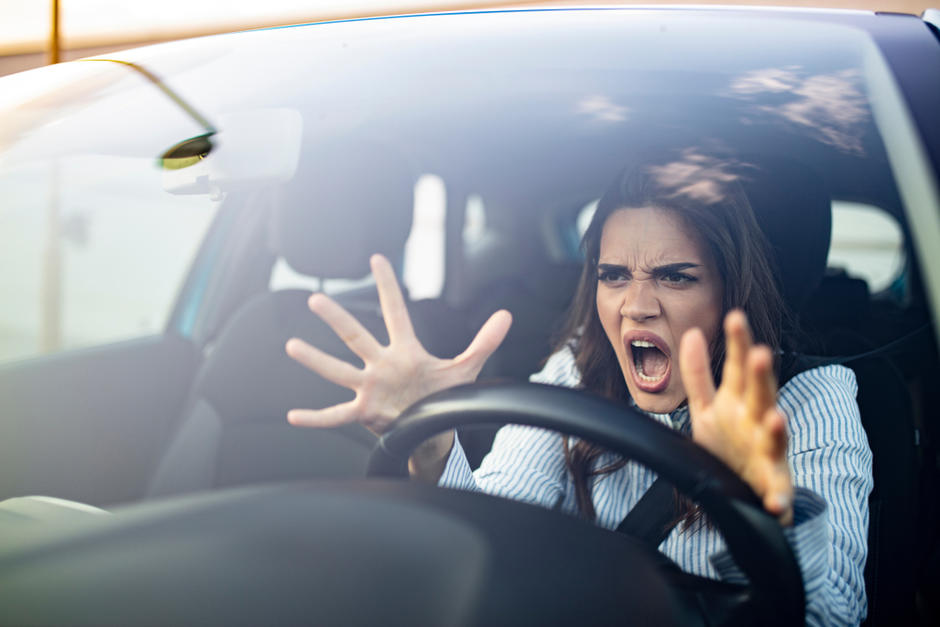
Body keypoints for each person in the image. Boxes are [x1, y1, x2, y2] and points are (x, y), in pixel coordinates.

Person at [284, 163, 872, 626]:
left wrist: (760, 513)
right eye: (613, 275)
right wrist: (434, 443)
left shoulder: (812, 400)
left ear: (731, 293)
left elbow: (833, 617)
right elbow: (498, 528)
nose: (635, 306)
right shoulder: (575, 371)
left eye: (675, 276)